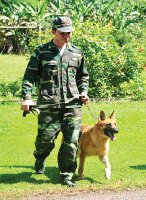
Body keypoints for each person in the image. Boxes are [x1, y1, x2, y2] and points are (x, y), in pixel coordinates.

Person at [21, 16, 89, 186]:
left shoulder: (77, 53)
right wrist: (27, 98)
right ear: (53, 31)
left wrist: (84, 92)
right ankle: (40, 157)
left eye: (69, 32)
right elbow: (29, 77)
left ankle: (66, 174)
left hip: (72, 104)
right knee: (45, 141)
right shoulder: (41, 52)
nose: (67, 36)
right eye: (63, 32)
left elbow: (83, 77)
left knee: (72, 142)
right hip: (48, 104)